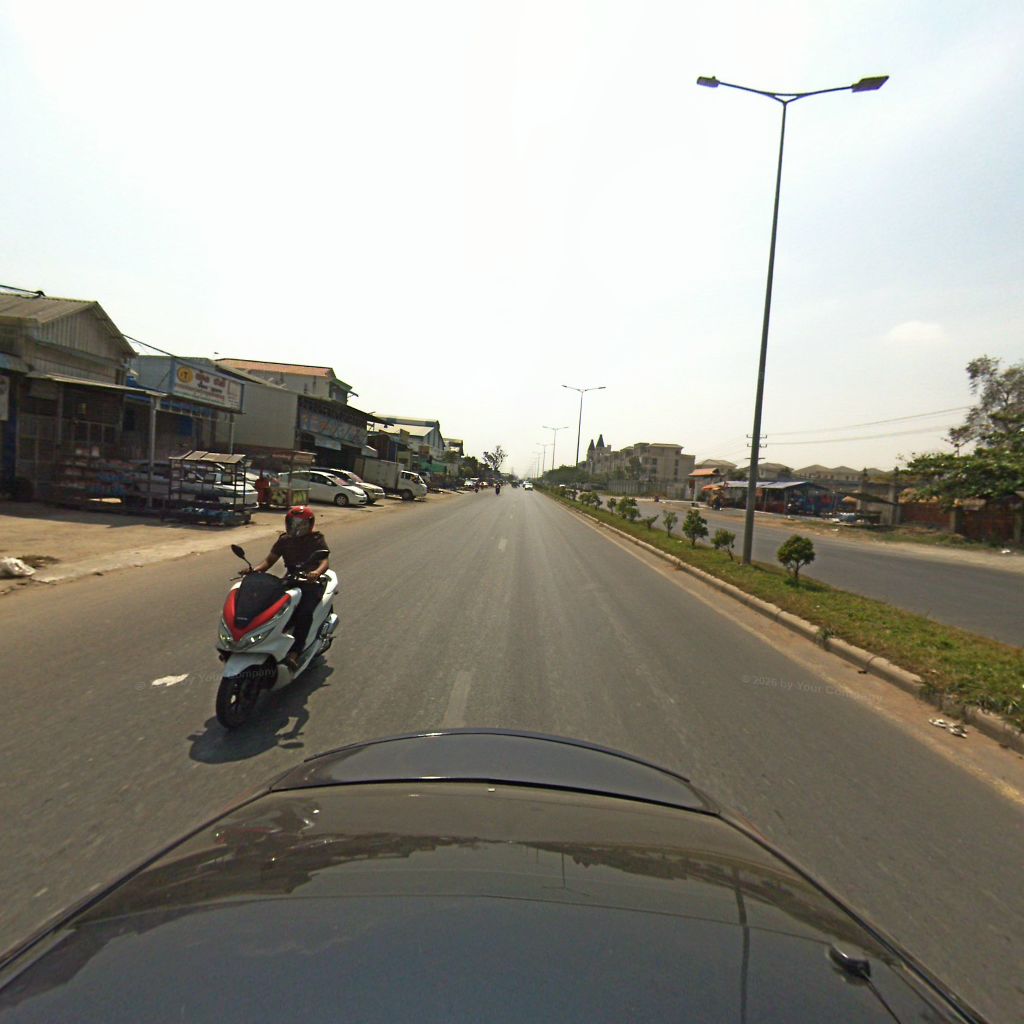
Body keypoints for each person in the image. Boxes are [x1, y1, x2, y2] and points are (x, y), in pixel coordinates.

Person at [249, 506, 330, 670]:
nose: (297, 527)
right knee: (268, 606)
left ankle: (295, 652)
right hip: (291, 579)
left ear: (310, 525)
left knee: (304, 613)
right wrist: (254, 570)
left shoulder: (316, 539)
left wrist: (315, 573)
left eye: (301, 524)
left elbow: (324, 562)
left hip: (311, 583)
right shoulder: (284, 540)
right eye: (293, 523)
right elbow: (269, 561)